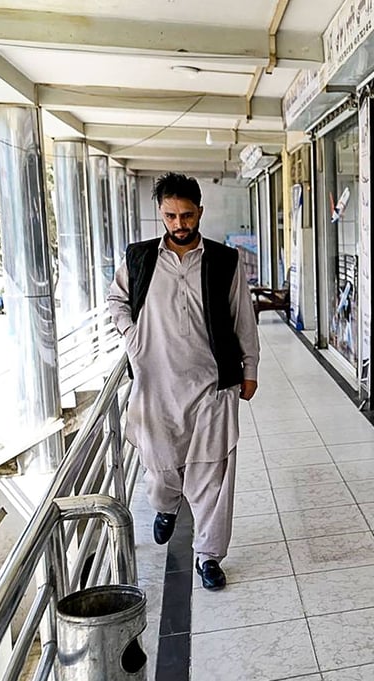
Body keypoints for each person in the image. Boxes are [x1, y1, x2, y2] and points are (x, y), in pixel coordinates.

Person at [107, 173, 260, 591]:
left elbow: (242, 319)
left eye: (187, 215)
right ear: (161, 213)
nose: (179, 223)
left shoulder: (224, 261)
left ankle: (209, 555)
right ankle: (166, 504)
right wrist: (130, 334)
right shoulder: (139, 258)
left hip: (213, 386)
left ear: (199, 213)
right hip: (155, 385)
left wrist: (250, 369)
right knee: (161, 466)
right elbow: (116, 299)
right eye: (171, 215)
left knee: (212, 475)